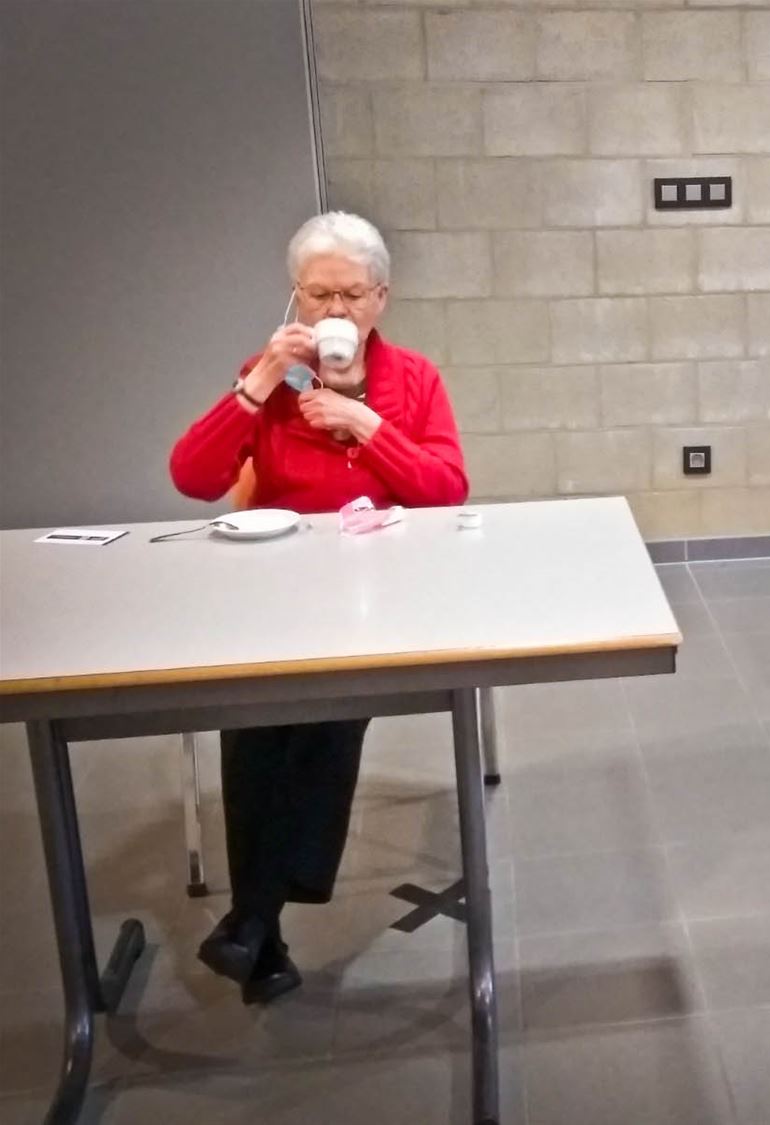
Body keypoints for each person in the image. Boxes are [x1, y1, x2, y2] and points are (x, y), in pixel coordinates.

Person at [169, 211, 468, 1002]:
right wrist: (259, 381)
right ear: (295, 298)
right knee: (256, 712)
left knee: (328, 704)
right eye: (317, 294)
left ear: (381, 298)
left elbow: (446, 489)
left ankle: (253, 921)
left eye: (351, 295)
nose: (334, 311)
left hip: (385, 593)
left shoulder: (415, 380)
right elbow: (192, 477)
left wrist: (366, 425)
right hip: (277, 587)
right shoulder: (269, 377)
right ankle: (259, 927)